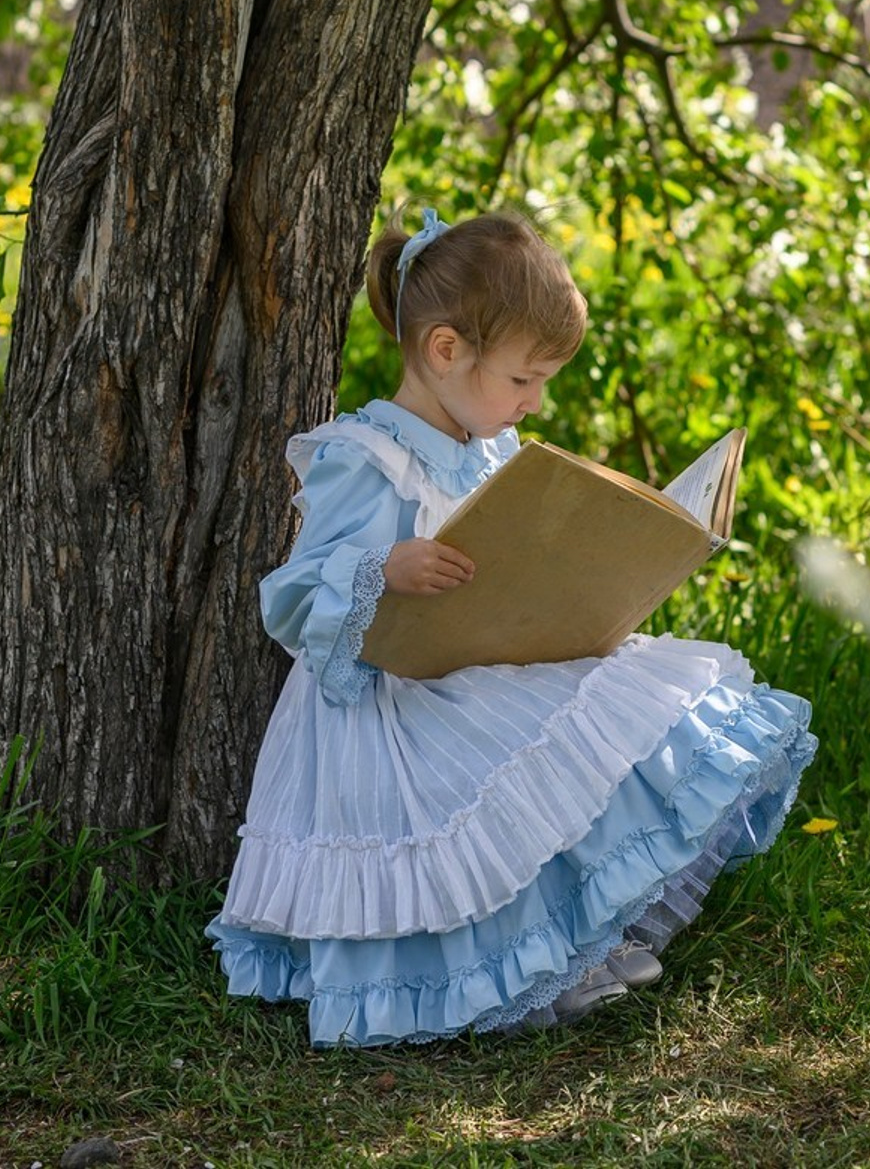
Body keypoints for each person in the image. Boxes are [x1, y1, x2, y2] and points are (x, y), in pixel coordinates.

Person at [206, 208, 819, 1047]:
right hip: (397, 698)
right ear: (446, 351)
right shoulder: (363, 455)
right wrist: (385, 567)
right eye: (525, 379)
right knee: (486, 789)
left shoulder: (495, 446)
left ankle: (582, 939)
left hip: (489, 660)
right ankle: (530, 967)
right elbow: (295, 593)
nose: (536, 400)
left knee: (586, 728)